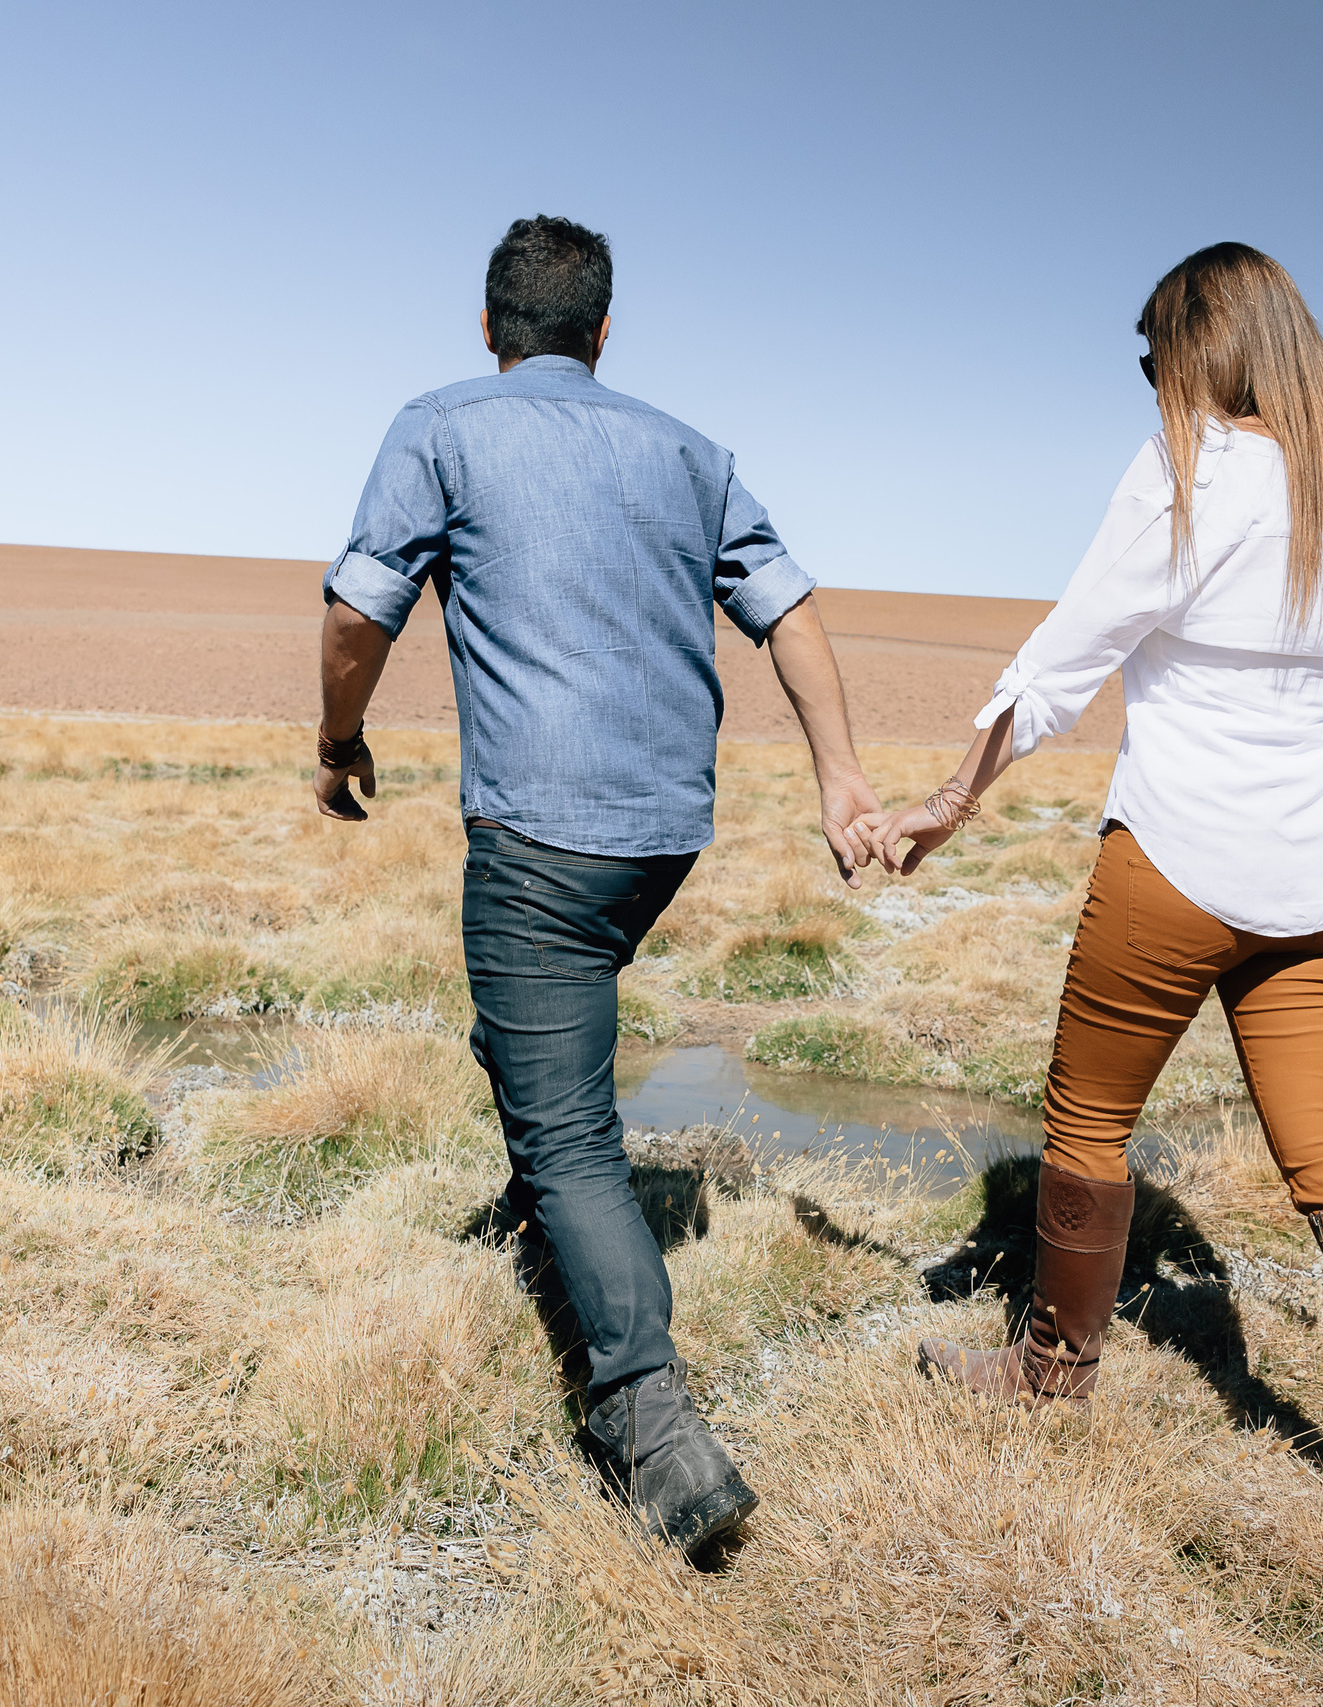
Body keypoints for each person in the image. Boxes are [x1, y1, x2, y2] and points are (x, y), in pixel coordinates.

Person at [858, 242, 1323, 1572]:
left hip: (1171, 856)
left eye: (1154, 353)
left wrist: (949, 801)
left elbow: (1062, 663)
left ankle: (1049, 1374)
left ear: (1196, 348)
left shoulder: (1185, 471)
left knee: (1090, 1120)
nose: (1151, 379)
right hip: (1319, 879)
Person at [316, 214, 880, 1555]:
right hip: (662, 837)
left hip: (542, 838)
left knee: (567, 1131)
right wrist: (842, 777)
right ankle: (553, 1227)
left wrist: (338, 741)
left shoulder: (442, 427)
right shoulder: (689, 452)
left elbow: (354, 613)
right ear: (604, 331)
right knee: (529, 1036)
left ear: (488, 327)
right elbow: (791, 610)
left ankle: (651, 1423)